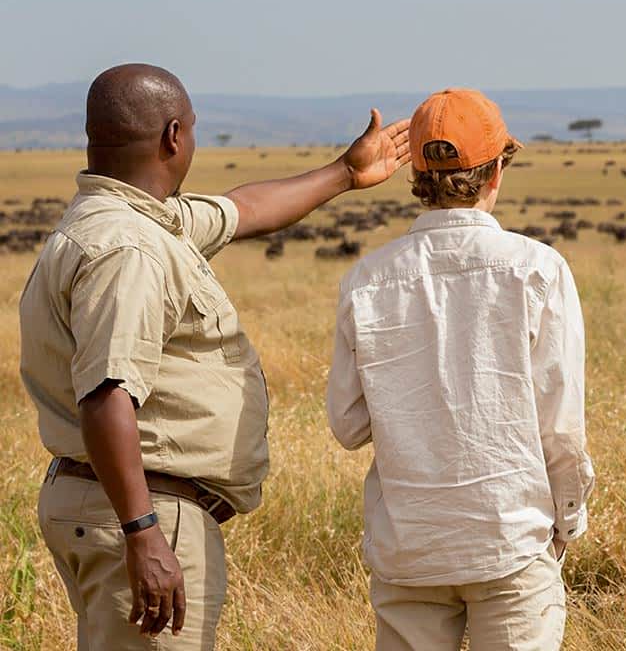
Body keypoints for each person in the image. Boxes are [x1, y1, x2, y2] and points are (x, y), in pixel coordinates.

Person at [19, 63, 410, 650]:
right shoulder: (129, 250)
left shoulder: (138, 220)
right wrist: (144, 533)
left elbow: (242, 210)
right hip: (143, 509)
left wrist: (345, 173)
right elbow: (106, 396)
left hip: (121, 504)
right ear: (174, 136)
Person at [326, 88, 595, 651]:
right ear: (497, 170)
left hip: (410, 550)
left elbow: (348, 428)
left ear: (416, 178)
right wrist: (567, 522)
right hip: (511, 541)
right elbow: (561, 428)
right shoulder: (538, 270)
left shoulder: (366, 280)